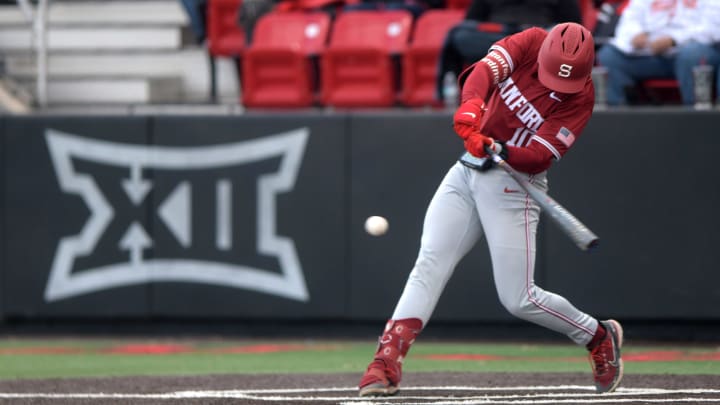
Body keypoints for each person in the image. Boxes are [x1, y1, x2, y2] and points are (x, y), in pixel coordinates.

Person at [358, 22, 624, 397]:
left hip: (515, 184)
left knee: (519, 298)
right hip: (468, 170)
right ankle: (386, 362)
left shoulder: (580, 98)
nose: (554, 86)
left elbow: (537, 157)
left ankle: (597, 335)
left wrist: (500, 148)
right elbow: (482, 73)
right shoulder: (531, 42)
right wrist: (471, 108)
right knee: (430, 261)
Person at [436, 0, 583, 104]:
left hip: (539, 36)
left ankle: (567, 98)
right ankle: (449, 95)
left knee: (569, 35)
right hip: (497, 36)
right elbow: (472, 20)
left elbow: (574, 25)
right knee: (457, 34)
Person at [596, 0, 720, 106]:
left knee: (691, 54)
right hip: (649, 53)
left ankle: (696, 117)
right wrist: (635, 35)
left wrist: (674, 39)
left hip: (692, 51)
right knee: (609, 56)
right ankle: (621, 120)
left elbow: (713, 28)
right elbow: (629, 20)